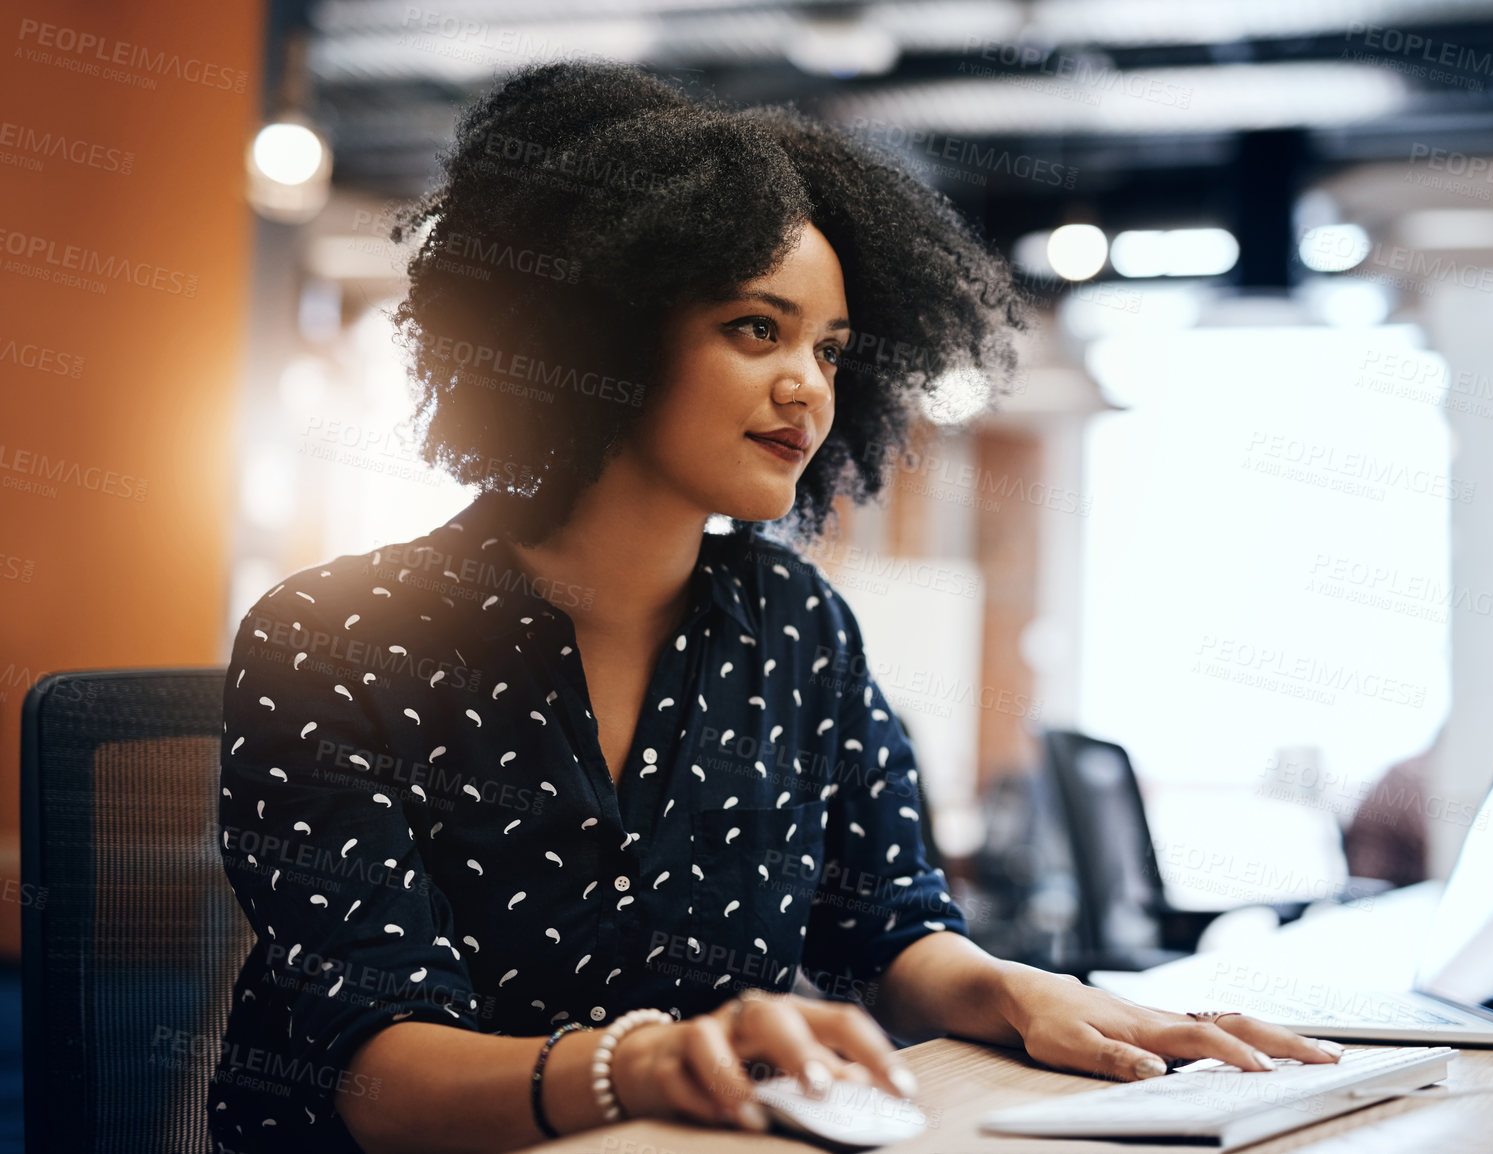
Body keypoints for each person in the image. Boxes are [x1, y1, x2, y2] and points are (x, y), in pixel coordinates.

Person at [208, 59, 1342, 1154]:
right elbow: (378, 1088)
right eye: (757, 329)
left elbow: (889, 931)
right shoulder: (334, 638)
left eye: (832, 348)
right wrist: (642, 1063)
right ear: (596, 331)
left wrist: (1026, 994)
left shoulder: (796, 625)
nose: (806, 384)